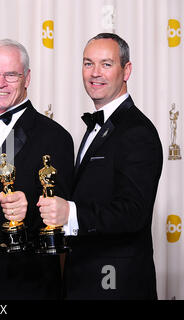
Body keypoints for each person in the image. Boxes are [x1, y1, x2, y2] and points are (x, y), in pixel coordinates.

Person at [37, 33, 163, 299]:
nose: (95, 73)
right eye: (88, 63)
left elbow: (134, 212)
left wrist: (70, 214)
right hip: (84, 278)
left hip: (116, 284)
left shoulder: (136, 131)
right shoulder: (101, 126)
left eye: (106, 64)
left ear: (126, 70)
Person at [0, 39, 75, 299]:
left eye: (11, 75)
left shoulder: (55, 137)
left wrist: (29, 208)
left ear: (27, 78)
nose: (0, 83)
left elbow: (64, 215)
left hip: (26, 285)